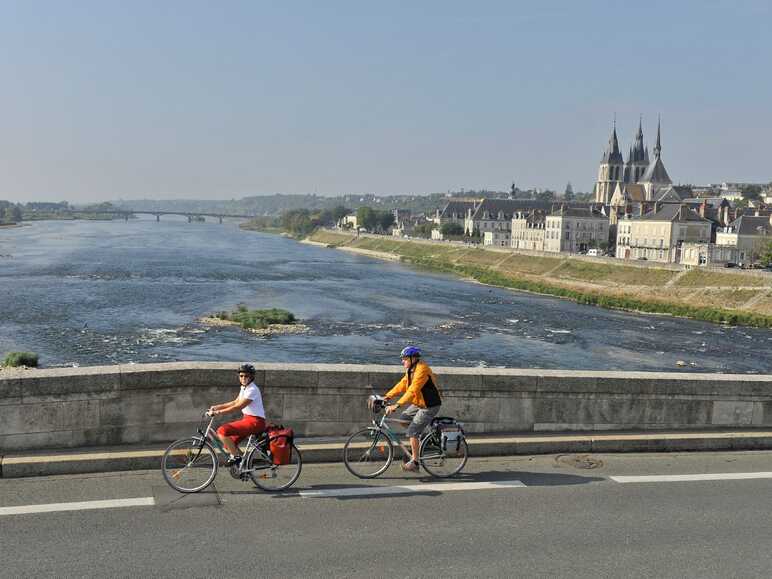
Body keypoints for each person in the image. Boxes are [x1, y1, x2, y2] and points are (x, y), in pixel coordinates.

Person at [384, 346, 442, 472]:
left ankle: (415, 463)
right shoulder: (411, 369)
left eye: (404, 358)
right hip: (418, 403)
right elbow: (402, 385)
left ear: (413, 358)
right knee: (404, 419)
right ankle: (419, 441)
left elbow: (412, 390)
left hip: (429, 406)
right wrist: (387, 397)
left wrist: (397, 405)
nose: (402, 361)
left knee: (412, 431)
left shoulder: (422, 369)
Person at [208, 363, 266, 466]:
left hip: (255, 422)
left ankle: (236, 457)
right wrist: (217, 407)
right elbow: (235, 402)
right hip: (247, 420)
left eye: (246, 376)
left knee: (222, 430)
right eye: (241, 376)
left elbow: (238, 406)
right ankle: (245, 464)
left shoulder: (252, 390)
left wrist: (218, 412)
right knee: (229, 444)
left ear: (251, 377)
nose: (243, 378)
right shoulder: (244, 388)